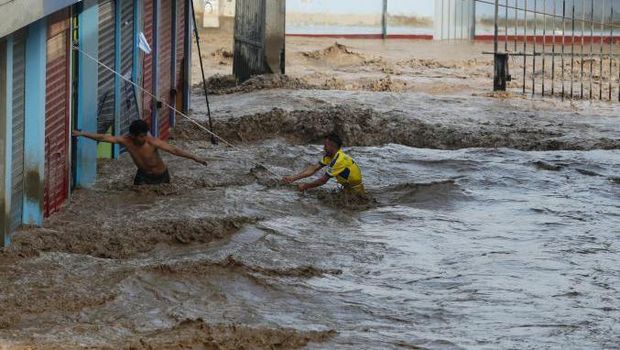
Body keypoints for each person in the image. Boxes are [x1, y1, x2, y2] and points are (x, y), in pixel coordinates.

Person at [72, 120, 208, 185]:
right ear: (132, 135)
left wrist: (195, 157)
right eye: (141, 136)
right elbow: (103, 137)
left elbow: (174, 150)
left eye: (145, 135)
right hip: (142, 176)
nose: (143, 138)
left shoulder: (152, 142)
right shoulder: (125, 141)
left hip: (161, 176)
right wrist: (81, 133)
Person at [282, 133, 364, 194]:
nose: (323, 148)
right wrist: (293, 178)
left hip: (355, 191)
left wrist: (305, 186)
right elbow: (313, 169)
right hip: (347, 189)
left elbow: (323, 180)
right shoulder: (330, 156)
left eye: (325, 146)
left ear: (332, 146)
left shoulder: (339, 160)